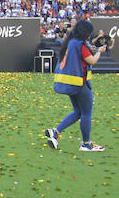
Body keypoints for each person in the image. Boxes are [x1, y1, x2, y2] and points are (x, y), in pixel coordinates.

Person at [45, 19, 106, 152]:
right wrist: (100, 51)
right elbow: (92, 60)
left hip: (70, 83)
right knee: (86, 113)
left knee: (78, 112)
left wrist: (93, 49)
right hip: (81, 83)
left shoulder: (71, 42)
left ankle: (55, 132)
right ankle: (86, 143)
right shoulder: (81, 45)